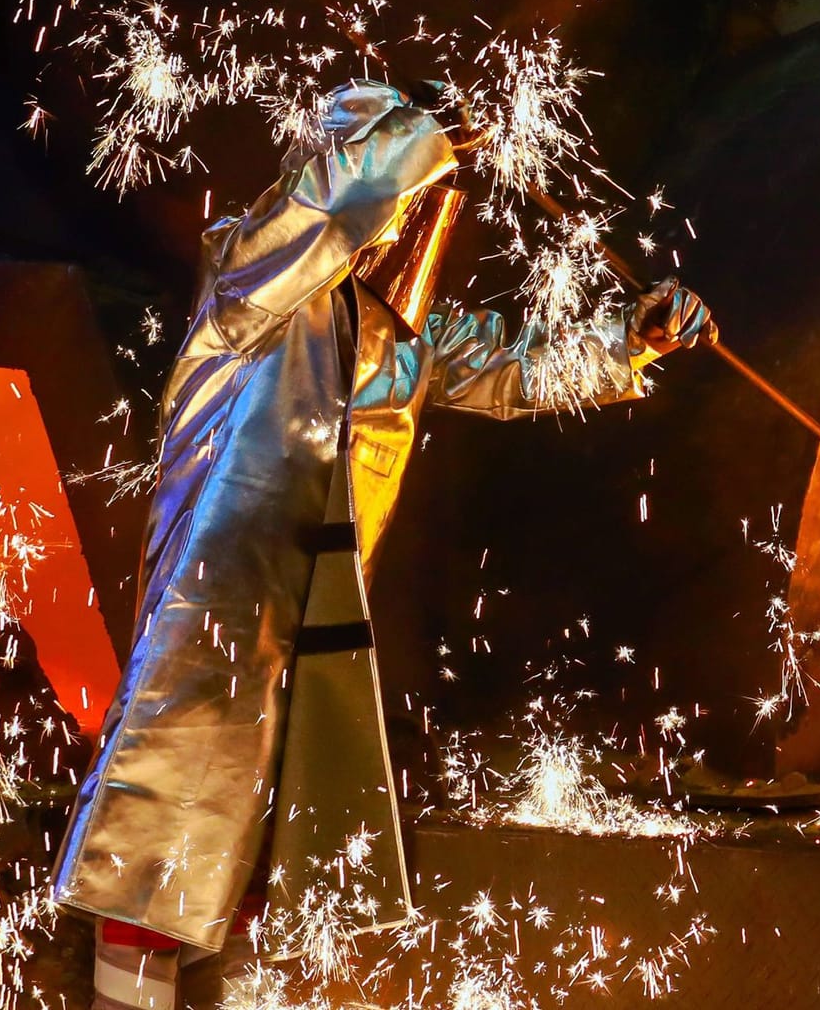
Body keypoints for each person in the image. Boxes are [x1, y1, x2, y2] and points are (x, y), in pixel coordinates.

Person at [49, 79, 716, 1009]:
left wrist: (631, 340)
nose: (404, 224)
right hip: (215, 613)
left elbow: (522, 363)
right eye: (392, 189)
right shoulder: (249, 283)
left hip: (314, 627)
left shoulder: (401, 339)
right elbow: (319, 213)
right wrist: (425, 135)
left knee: (265, 862)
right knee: (162, 833)